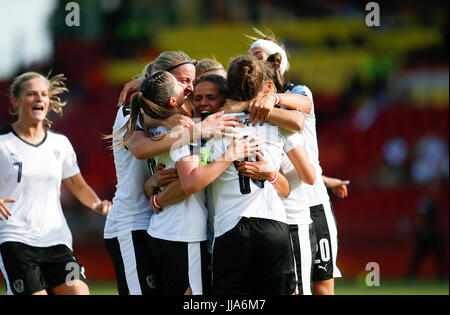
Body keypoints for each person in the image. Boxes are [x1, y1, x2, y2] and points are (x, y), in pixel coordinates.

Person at [103, 51, 238, 295]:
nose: (189, 87)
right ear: (162, 79)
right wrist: (198, 130)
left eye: (191, 81)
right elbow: (140, 148)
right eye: (183, 81)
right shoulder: (132, 110)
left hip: (159, 220)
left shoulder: (181, 116)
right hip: (132, 221)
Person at [247, 29, 348, 295]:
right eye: (250, 56)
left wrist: (273, 99)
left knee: (322, 288)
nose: (252, 60)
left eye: (259, 55)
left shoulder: (297, 92)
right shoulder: (244, 101)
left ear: (275, 63)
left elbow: (302, 107)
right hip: (280, 207)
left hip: (313, 203)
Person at [208, 55, 316, 295]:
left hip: (231, 229)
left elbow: (201, 167)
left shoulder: (213, 126)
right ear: (264, 88)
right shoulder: (277, 124)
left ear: (228, 88)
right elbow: (308, 175)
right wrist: (272, 175)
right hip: (273, 227)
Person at [0, 72, 111, 295]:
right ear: (15, 101)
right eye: (31, 94)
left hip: (57, 241)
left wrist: (97, 204)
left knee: (80, 292)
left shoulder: (60, 143)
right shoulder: (3, 143)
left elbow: (78, 185)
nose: (39, 99)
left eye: (43, 94)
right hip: (16, 240)